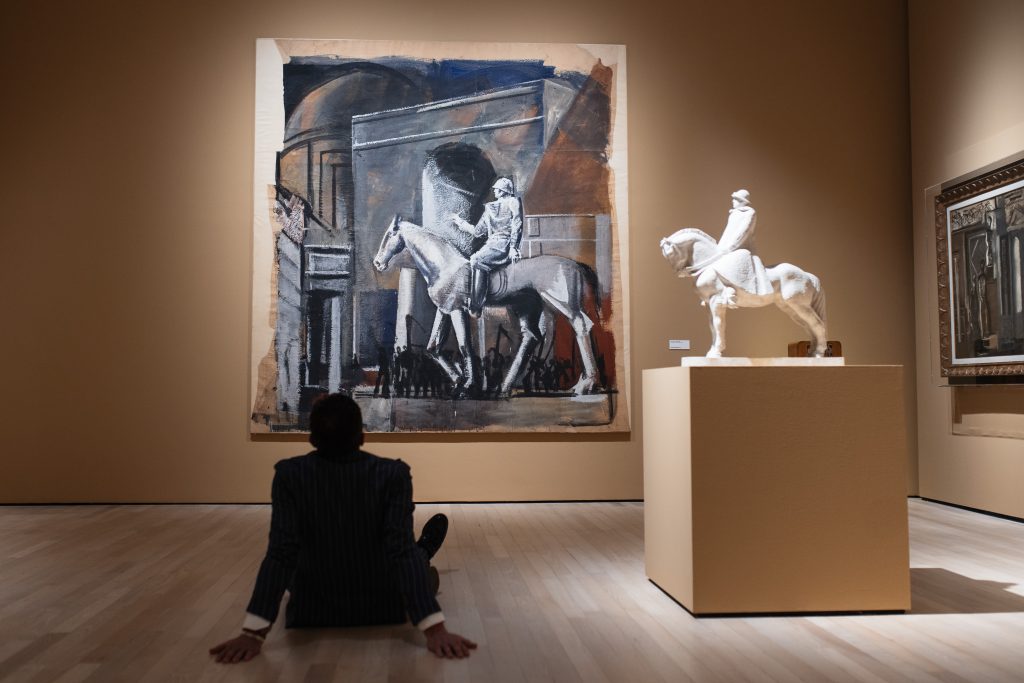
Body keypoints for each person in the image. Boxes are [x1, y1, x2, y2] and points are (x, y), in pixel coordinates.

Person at [209, 393, 477, 664]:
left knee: (297, 565)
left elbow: (281, 553)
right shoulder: (391, 474)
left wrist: (252, 633)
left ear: (312, 439)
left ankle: (423, 552)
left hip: (311, 609)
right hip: (383, 605)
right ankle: (426, 549)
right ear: (362, 437)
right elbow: (400, 551)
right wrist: (435, 631)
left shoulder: (290, 475)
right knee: (415, 559)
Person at [450, 177, 524, 316]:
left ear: (503, 190)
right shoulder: (489, 208)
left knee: (476, 260)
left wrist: (513, 247)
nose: (494, 191)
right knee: (473, 260)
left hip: (504, 244)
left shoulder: (513, 202)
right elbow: (477, 231)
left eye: (497, 189)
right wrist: (460, 222)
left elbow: (517, 225)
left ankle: (476, 304)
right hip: (491, 244)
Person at [698, 189, 772, 304]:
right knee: (717, 263)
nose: (733, 201)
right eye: (733, 199)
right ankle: (716, 291)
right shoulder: (733, 214)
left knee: (737, 259)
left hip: (742, 247)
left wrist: (731, 247)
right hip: (727, 247)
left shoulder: (749, 213)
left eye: (735, 199)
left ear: (742, 201)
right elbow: (727, 232)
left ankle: (731, 293)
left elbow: (743, 232)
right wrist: (720, 248)